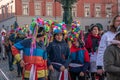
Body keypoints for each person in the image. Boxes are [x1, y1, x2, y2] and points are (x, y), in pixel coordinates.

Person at [96, 15, 120, 79]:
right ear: (113, 22)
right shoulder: (106, 35)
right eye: (118, 21)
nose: (119, 22)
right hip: (112, 67)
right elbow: (101, 51)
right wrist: (99, 66)